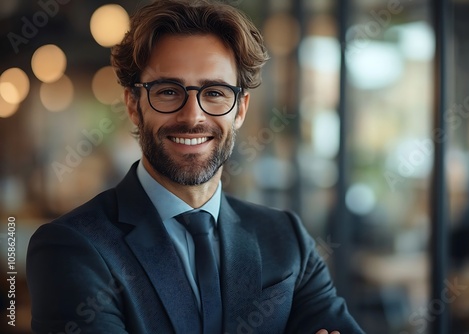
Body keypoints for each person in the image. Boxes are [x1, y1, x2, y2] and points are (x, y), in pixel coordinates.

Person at [26, 0, 365, 333]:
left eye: (215, 92)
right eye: (169, 91)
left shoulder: (286, 238)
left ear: (241, 108)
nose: (193, 116)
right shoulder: (71, 247)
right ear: (133, 104)